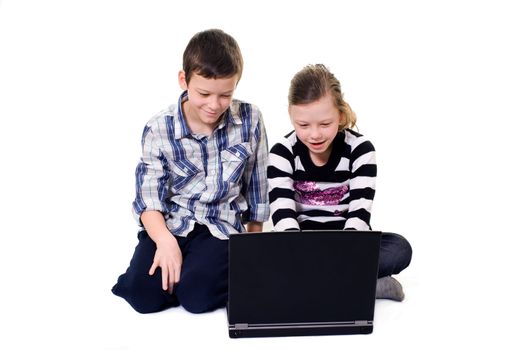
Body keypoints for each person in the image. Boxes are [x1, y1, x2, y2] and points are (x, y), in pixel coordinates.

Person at [112, 29, 269, 314]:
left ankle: (193, 279)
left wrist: (253, 249)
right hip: (172, 224)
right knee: (141, 296)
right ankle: (181, 274)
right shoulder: (159, 128)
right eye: (204, 93)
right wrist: (164, 242)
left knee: (197, 297)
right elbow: (148, 199)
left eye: (225, 95)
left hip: (219, 228)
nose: (214, 105)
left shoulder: (250, 119)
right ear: (184, 80)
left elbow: (257, 186)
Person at [267, 64, 412, 301]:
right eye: (303, 125)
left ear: (340, 116)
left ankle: (312, 283)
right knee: (260, 255)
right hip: (299, 245)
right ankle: (362, 285)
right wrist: (296, 253)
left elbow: (359, 216)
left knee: (399, 248)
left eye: (325, 124)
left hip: (347, 244)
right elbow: (283, 219)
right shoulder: (282, 152)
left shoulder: (360, 150)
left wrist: (343, 252)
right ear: (291, 117)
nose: (315, 134)